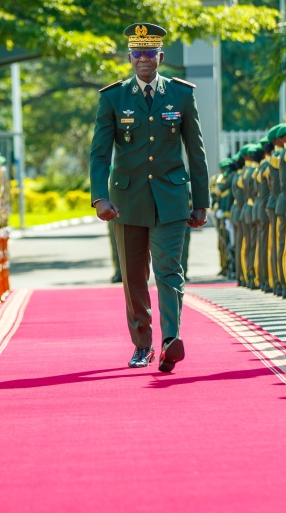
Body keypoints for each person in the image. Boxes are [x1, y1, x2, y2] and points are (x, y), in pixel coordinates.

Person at [89, 22, 208, 372]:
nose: (144, 59)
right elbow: (99, 154)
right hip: (126, 203)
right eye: (138, 53)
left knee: (170, 271)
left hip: (171, 198)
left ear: (161, 56)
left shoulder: (181, 94)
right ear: (130, 58)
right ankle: (142, 345)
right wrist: (99, 198)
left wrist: (201, 202)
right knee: (134, 277)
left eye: (150, 52)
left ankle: (171, 340)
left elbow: (196, 152)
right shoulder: (113, 97)